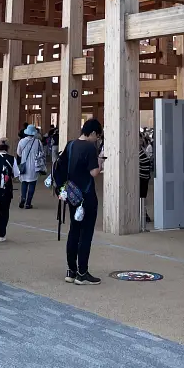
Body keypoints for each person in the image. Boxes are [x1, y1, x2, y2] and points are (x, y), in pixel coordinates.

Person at [64, 118, 104, 285]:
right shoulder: (90, 147)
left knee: (74, 231)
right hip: (87, 196)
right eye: (98, 136)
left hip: (72, 195)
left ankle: (71, 271)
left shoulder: (71, 145)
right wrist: (100, 162)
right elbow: (94, 172)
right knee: (86, 234)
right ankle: (82, 272)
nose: (97, 139)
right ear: (93, 132)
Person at [0, 138, 20, 242]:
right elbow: (16, 174)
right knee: (4, 212)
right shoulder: (12, 159)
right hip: (6, 190)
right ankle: (0, 235)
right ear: (7, 147)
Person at [16, 124, 43, 209]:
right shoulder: (38, 142)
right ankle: (28, 203)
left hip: (24, 165)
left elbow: (18, 153)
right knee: (32, 184)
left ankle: (23, 198)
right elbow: (41, 153)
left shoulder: (21, 141)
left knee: (24, 183)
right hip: (34, 166)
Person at [139, 135, 152, 223]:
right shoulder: (136, 152)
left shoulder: (143, 149)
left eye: (141, 138)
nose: (141, 140)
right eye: (139, 138)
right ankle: (143, 214)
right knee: (141, 196)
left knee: (143, 196)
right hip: (140, 178)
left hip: (145, 177)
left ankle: (143, 213)